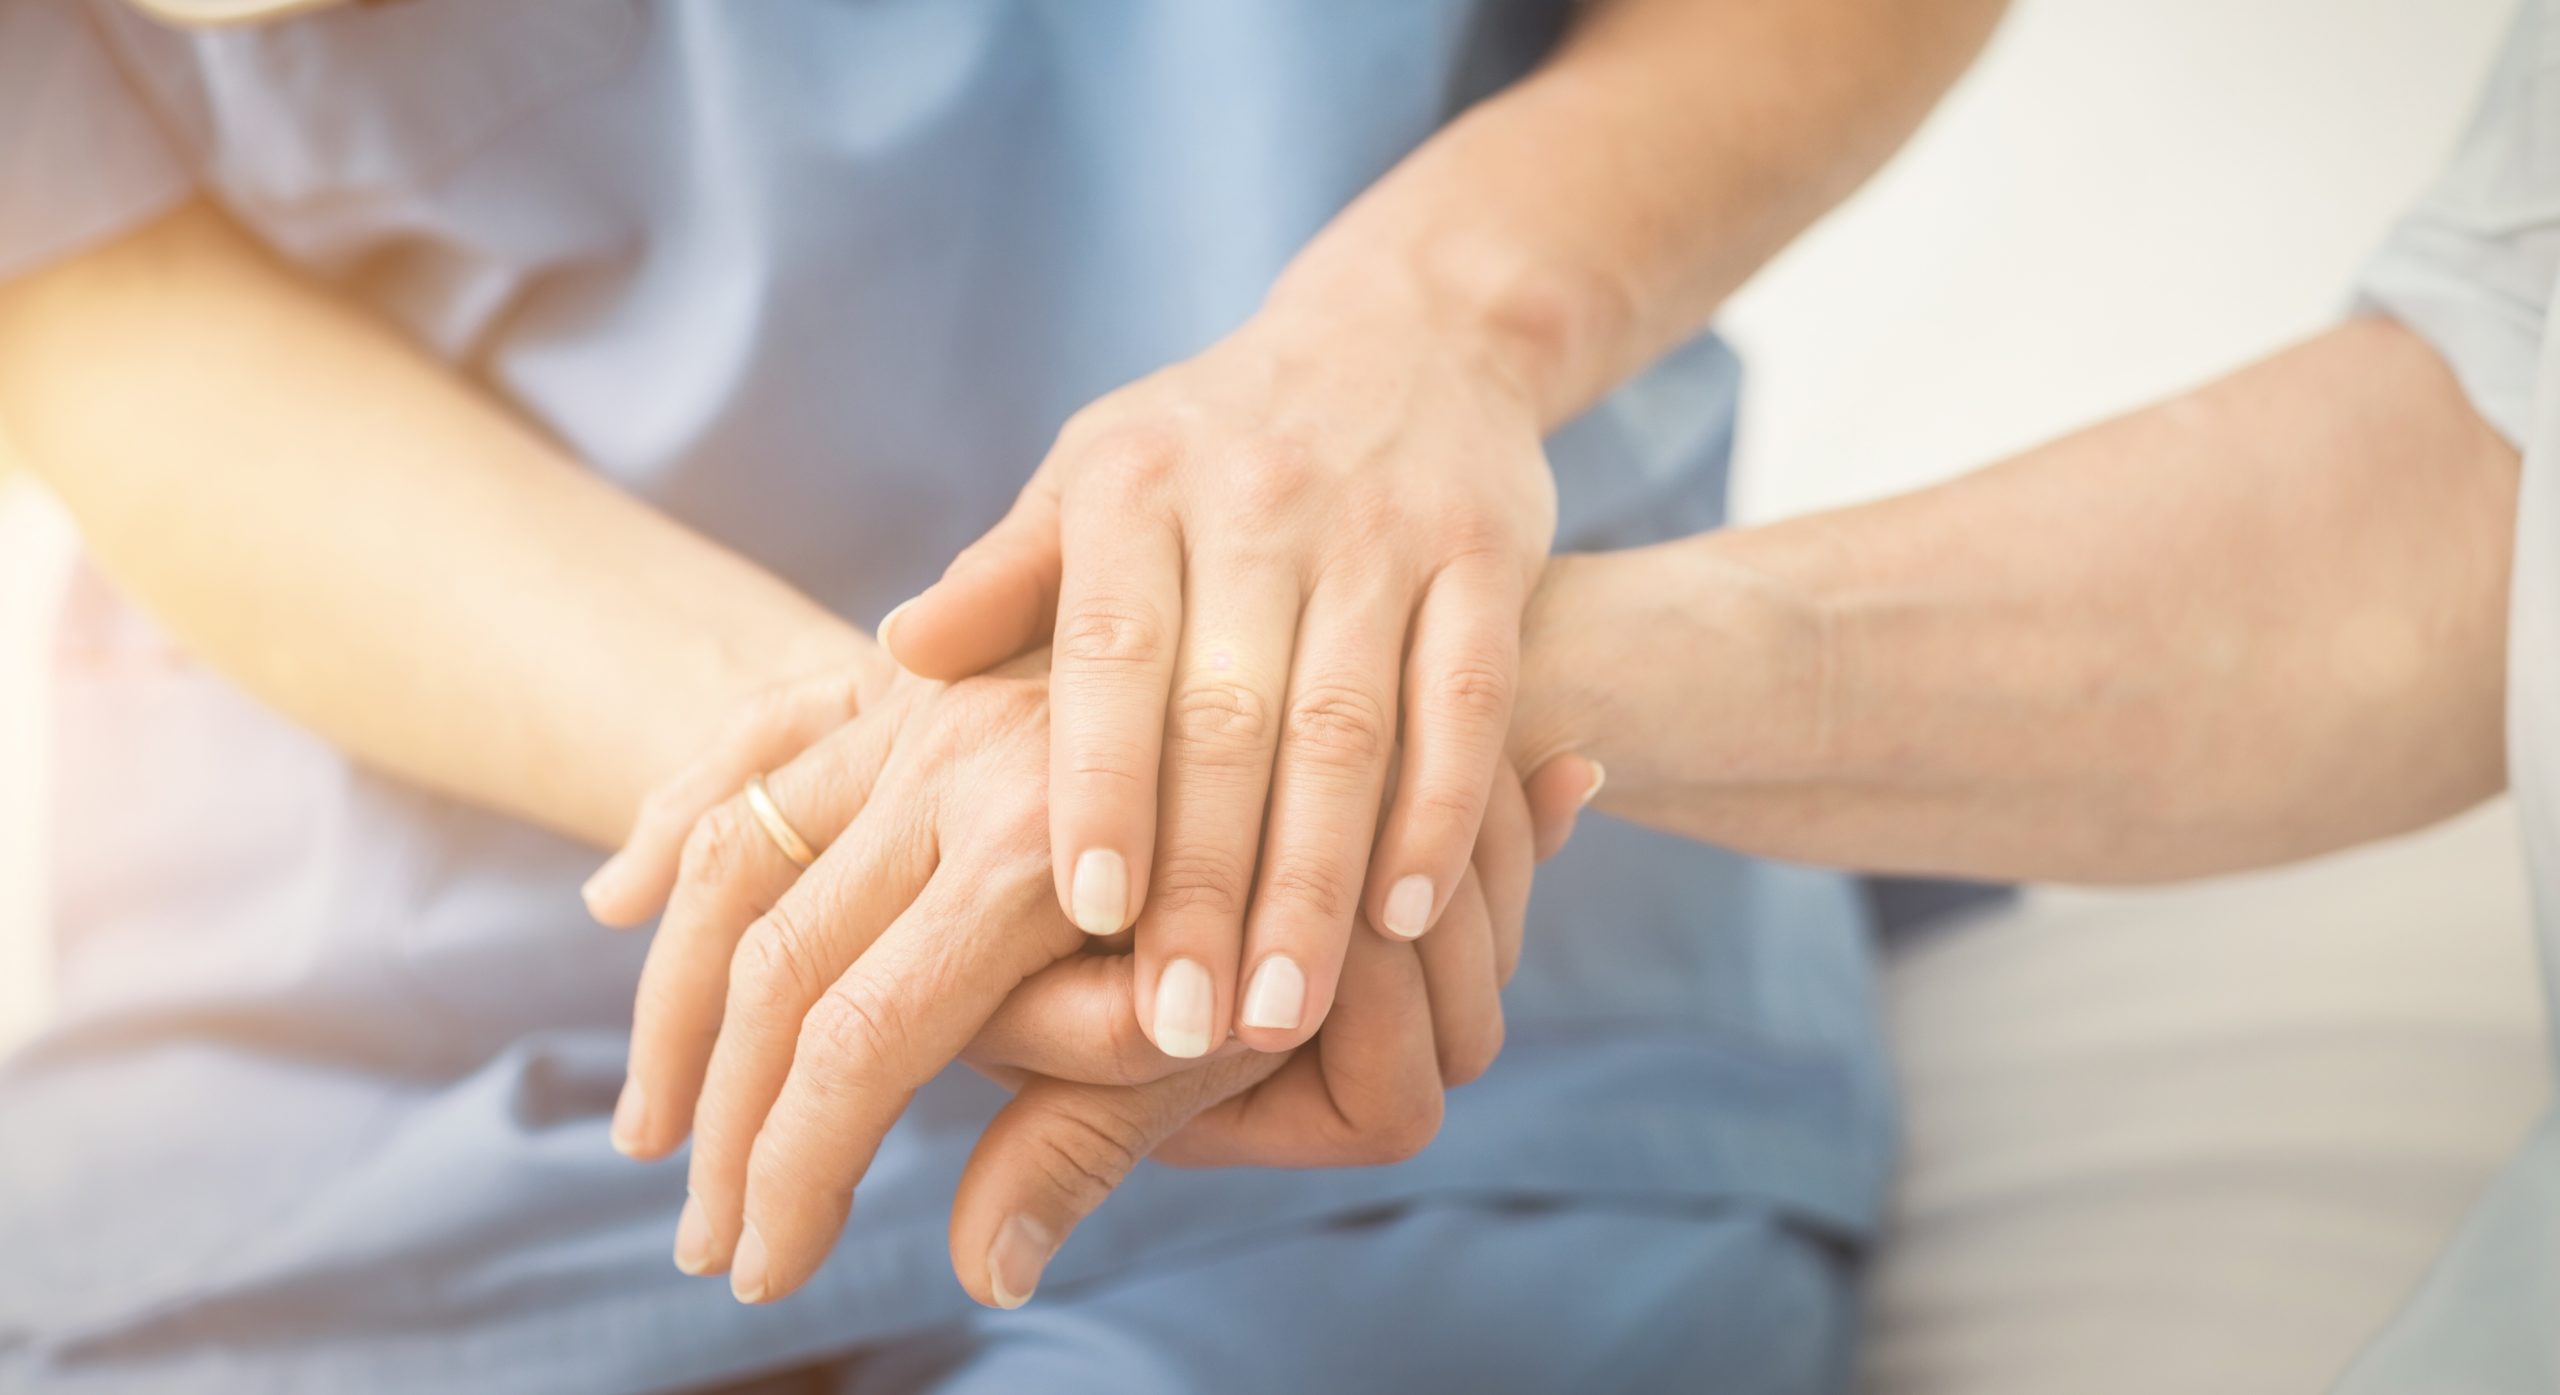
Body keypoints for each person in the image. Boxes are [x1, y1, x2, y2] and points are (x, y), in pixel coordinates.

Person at [0, 1, 2003, 1390]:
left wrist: (1430, 326)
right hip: (369, 1013)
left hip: (1406, 950)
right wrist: (869, 785)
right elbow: (92, 291)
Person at [623, 1, 2560, 1385]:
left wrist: (1386, 654)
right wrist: (902, 779)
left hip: (1522, 1042)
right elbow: (2481, 458)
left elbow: (2472, 490)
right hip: (510, 932)